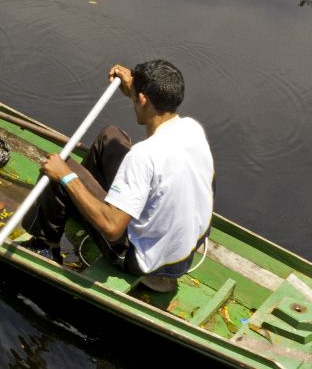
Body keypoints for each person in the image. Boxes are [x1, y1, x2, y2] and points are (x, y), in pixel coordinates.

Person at [26, 60, 214, 285]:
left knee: (60, 166)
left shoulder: (142, 156)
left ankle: (45, 247)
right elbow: (149, 115)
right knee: (111, 137)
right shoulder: (192, 129)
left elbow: (113, 229)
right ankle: (79, 207)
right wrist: (133, 89)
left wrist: (66, 178)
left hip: (142, 259)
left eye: (135, 96)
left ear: (143, 99)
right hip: (182, 254)